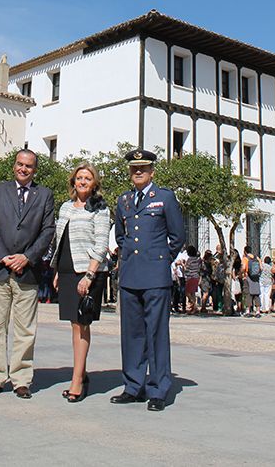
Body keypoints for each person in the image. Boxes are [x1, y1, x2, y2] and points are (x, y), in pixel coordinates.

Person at [111, 149, 184, 412]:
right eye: (134, 169)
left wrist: (161, 259)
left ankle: (158, 389)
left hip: (155, 275)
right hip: (130, 275)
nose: (138, 172)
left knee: (156, 333)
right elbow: (121, 236)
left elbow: (177, 236)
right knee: (132, 334)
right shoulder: (124, 201)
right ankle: (133, 386)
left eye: (142, 168)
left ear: (152, 171)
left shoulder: (164, 198)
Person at [0, 149, 55, 399]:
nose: (23, 169)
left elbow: (48, 231)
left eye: (29, 166)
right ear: (14, 166)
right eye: (20, 164)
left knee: (25, 329)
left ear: (35, 169)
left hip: (28, 271)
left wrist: (27, 257)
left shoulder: (44, 195)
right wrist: (3, 256)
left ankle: (21, 378)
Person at [51, 162, 110, 402]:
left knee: (81, 324)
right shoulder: (65, 207)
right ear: (73, 182)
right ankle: (81, 372)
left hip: (87, 272)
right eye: (79, 178)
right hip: (66, 270)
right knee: (73, 325)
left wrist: (89, 274)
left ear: (94, 182)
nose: (82, 181)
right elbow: (61, 239)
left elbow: (102, 243)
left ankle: (77, 380)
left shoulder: (100, 208)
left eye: (87, 178)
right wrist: (57, 270)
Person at [241, 246, 262, 317]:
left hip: (248, 277)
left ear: (245, 251)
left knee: (248, 294)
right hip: (256, 278)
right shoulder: (257, 258)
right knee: (256, 294)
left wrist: (241, 274)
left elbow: (243, 268)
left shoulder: (245, 258)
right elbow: (261, 268)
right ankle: (258, 311)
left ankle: (248, 311)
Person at [183, 245, 201, 314]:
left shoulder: (189, 260)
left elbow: (186, 269)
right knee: (193, 293)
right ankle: (193, 308)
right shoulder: (197, 259)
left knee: (187, 292)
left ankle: (195, 306)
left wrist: (183, 264)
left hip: (190, 277)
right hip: (196, 277)